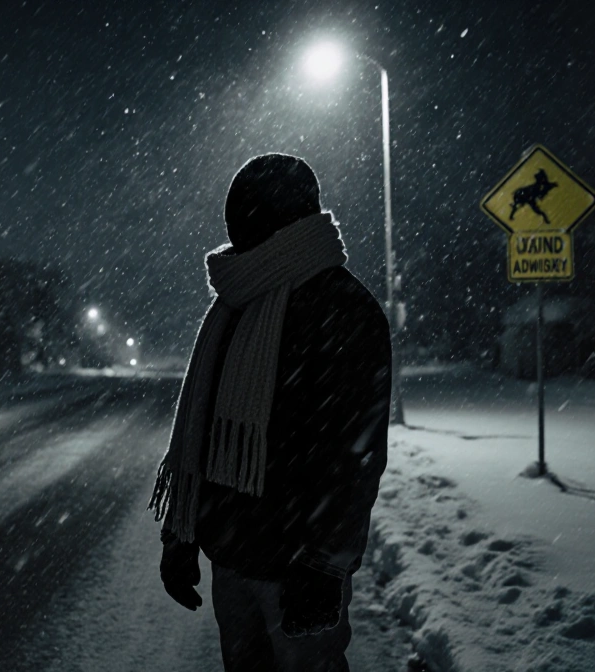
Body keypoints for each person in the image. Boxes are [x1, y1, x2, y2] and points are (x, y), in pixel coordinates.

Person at [149, 153, 391, 672]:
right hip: (232, 559)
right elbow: (203, 433)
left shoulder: (344, 307)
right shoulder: (233, 306)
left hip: (298, 568)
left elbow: (356, 456)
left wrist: (326, 565)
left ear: (282, 218)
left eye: (250, 212)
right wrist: (181, 537)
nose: (238, 227)